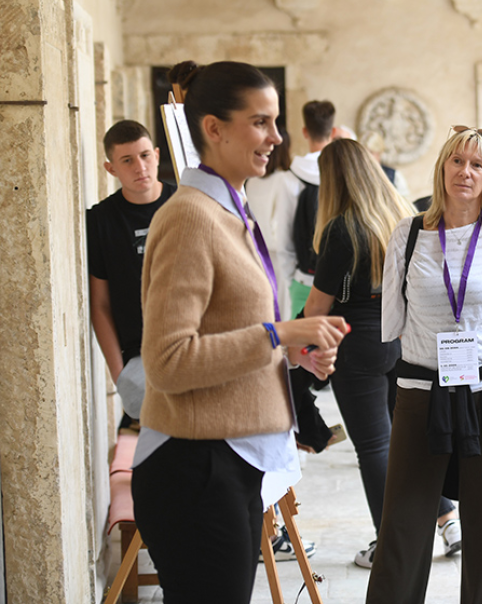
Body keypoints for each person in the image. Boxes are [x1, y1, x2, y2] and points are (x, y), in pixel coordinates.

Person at [132, 60, 347, 603]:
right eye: (260, 122)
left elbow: (232, 330)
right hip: (196, 467)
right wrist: (276, 335)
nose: (277, 137)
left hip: (229, 460)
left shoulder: (229, 208)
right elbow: (168, 361)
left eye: (276, 122)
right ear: (214, 128)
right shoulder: (191, 217)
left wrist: (291, 353)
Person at [366, 126, 482, 604]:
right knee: (403, 520)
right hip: (421, 391)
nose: (465, 171)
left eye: (477, 164)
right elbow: (395, 321)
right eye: (456, 161)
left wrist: (480, 364)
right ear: (442, 168)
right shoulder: (408, 234)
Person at [297, 138, 448, 566]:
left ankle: (392, 545)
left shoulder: (341, 229)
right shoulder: (402, 214)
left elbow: (318, 307)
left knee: (375, 447)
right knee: (411, 439)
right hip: (404, 338)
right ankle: (448, 520)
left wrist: (289, 333)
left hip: (358, 344)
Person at [87, 120, 176, 425]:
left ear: (157, 155)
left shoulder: (187, 204)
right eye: (127, 160)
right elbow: (99, 304)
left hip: (195, 346)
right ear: (111, 169)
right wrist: (120, 374)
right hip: (139, 358)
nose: (140, 167)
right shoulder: (100, 221)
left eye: (145, 156)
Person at [246, 125, 302, 319]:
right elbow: (284, 224)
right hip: (281, 257)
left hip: (256, 254)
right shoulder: (285, 180)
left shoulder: (251, 181)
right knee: (283, 314)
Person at [290, 99, 336, 318]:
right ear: (333, 131)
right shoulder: (342, 173)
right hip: (338, 282)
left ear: (304, 132)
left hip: (302, 278)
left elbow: (285, 236)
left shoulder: (291, 175)